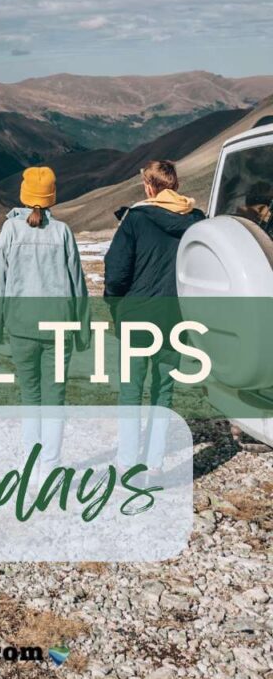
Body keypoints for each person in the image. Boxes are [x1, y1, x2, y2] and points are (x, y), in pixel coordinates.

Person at [105, 159, 204, 477]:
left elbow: (117, 272)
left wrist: (115, 306)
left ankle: (127, 462)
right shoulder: (197, 220)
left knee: (131, 389)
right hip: (176, 316)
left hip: (136, 316)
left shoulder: (135, 219)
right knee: (164, 390)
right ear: (174, 186)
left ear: (149, 187)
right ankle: (155, 464)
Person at [0, 165, 90, 472]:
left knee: (30, 396)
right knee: (54, 398)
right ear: (51, 197)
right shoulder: (62, 233)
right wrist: (83, 330)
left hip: (21, 327)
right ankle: (51, 469)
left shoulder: (10, 230)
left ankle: (32, 468)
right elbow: (77, 285)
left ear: (24, 194)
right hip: (59, 328)